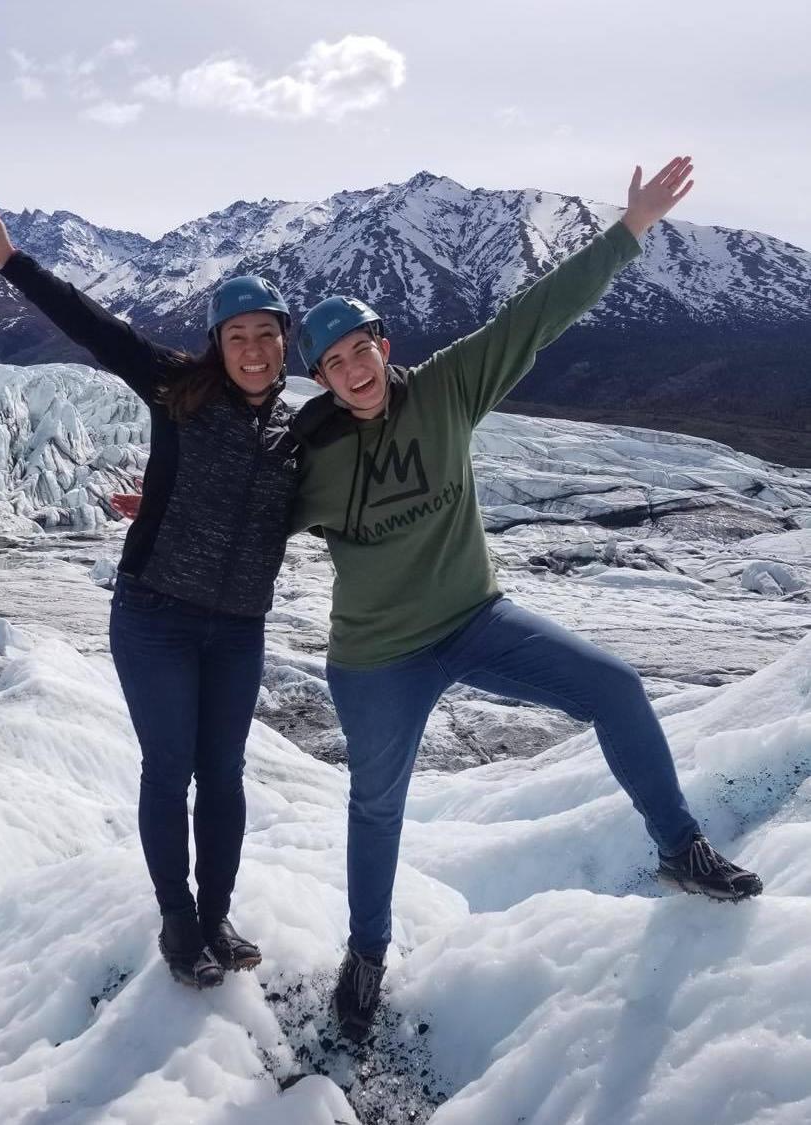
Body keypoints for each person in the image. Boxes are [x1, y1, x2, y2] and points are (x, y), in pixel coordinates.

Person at [290, 157, 764, 1042]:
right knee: (376, 806)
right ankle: (366, 953)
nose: (353, 369)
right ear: (319, 378)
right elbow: (238, 519)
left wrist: (629, 230)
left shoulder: (447, 387)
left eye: (361, 348)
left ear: (384, 345)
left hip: (476, 621)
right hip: (376, 657)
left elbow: (534, 315)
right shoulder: (308, 460)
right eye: (333, 362)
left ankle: (680, 849)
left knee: (615, 687)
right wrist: (159, 509)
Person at [0, 200, 301, 989]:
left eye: (265, 335)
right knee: (169, 770)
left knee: (225, 775)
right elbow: (96, 328)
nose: (251, 349)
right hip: (155, 614)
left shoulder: (295, 431)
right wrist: (11, 261)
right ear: (217, 345)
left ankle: (217, 917)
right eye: (236, 336)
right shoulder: (178, 387)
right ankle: (177, 919)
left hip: (238, 627)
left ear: (284, 342)